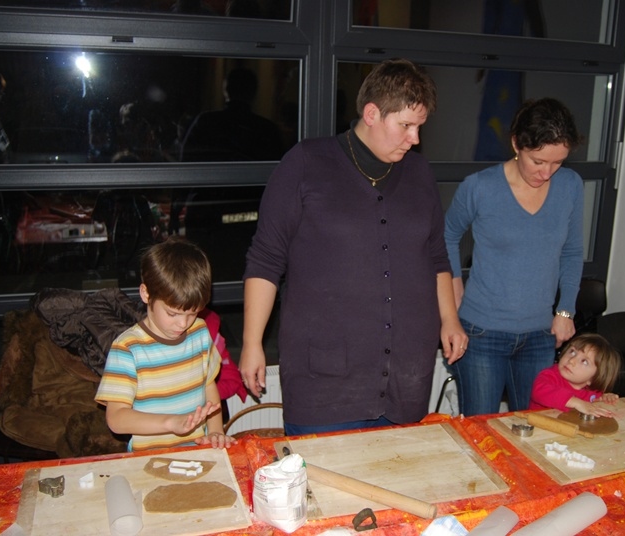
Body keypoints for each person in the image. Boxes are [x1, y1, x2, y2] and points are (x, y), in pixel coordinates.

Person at [240, 58, 468, 436]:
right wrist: (251, 343)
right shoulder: (306, 163)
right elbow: (265, 259)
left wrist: (450, 319)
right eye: (406, 126)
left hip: (406, 375)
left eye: (419, 127)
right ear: (372, 113)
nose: (415, 139)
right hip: (324, 380)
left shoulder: (419, 173)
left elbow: (435, 255)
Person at [444, 97, 584, 416]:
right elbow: (447, 235)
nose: (546, 172)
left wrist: (566, 310)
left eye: (557, 162)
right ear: (516, 144)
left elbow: (573, 251)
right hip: (482, 333)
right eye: (538, 161)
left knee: (535, 427)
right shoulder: (479, 187)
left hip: (540, 335)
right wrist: (455, 286)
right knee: (483, 430)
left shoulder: (570, 186)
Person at [95, 237, 236, 452]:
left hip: (198, 452)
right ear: (146, 293)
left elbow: (208, 386)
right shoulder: (127, 349)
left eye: (193, 313)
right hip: (149, 458)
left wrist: (216, 431)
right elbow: (116, 418)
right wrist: (171, 423)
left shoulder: (199, 332)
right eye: (172, 313)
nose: (183, 324)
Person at [529, 333, 621, 417]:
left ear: (592, 379)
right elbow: (538, 391)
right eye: (572, 352)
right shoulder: (550, 375)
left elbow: (594, 401)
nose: (572, 360)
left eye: (584, 361)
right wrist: (576, 403)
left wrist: (605, 398)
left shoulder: (591, 391)